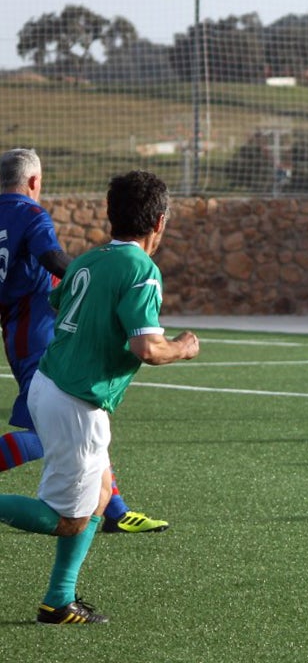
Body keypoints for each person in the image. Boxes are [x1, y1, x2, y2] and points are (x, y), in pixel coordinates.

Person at [0, 170, 199, 624]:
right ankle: (57, 599)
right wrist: (184, 347)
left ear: (110, 217)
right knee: (65, 518)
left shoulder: (88, 261)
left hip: (49, 384)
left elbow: (58, 305)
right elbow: (146, 348)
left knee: (102, 490)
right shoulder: (142, 270)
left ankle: (58, 599)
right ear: (160, 222)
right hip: (77, 401)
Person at [0, 148, 170, 534]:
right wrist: (89, 280)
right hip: (40, 325)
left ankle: (114, 509)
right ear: (34, 182)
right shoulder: (30, 212)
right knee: (52, 427)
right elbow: (53, 258)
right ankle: (110, 511)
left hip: (18, 329)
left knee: (83, 422)